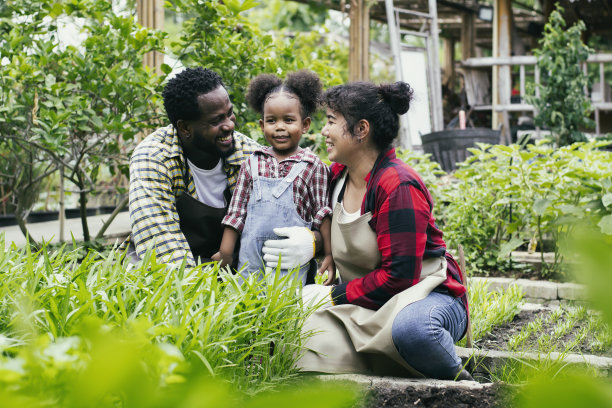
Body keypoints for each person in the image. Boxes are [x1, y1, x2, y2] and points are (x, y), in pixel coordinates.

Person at [298, 81, 471, 381]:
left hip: (425, 296)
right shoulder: (338, 177)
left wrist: (330, 296)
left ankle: (462, 385)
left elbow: (399, 278)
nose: (323, 131)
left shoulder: (397, 186)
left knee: (413, 331)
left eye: (330, 122)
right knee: (296, 334)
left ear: (361, 130)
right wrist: (319, 247)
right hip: (369, 303)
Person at [126, 67, 320, 268]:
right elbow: (163, 251)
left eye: (230, 114)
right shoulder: (154, 158)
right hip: (170, 273)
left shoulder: (249, 156)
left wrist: (314, 241)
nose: (230, 126)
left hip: (226, 268)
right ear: (184, 128)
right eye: (216, 120)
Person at [213, 71, 334, 286]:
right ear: (261, 125)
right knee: (247, 306)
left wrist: (329, 255)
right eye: (271, 120)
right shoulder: (252, 163)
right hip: (249, 264)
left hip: (292, 264)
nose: (279, 127)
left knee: (285, 311)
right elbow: (236, 213)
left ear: (305, 125)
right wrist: (226, 253)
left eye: (288, 120)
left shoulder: (313, 166)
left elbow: (322, 215)